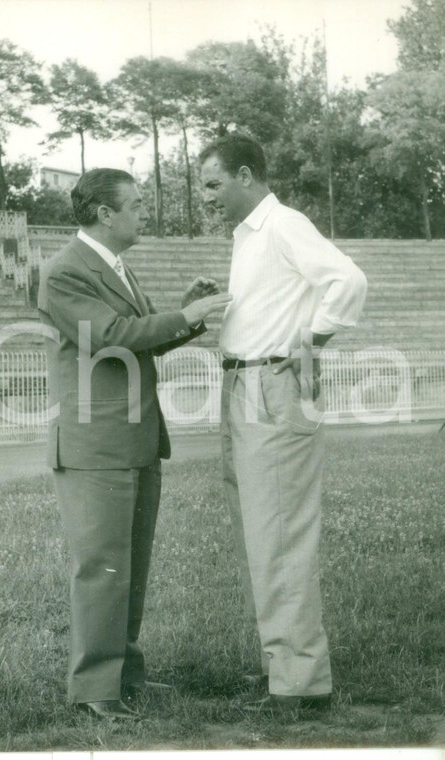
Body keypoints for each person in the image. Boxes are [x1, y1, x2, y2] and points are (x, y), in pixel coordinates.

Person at [38, 168, 231, 721]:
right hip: (97, 445)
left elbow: (141, 335)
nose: (146, 212)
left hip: (135, 439)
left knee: (130, 566)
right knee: (102, 566)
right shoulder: (65, 270)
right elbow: (112, 338)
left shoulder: (112, 266)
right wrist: (184, 316)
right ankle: (95, 689)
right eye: (138, 204)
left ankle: (123, 673)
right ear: (105, 213)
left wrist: (184, 315)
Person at [199, 133, 367, 715]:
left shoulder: (284, 224)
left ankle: (300, 685)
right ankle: (283, 667)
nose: (207, 198)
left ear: (247, 175)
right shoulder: (249, 237)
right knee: (259, 533)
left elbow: (349, 279)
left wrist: (312, 341)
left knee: (280, 536)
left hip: (273, 388)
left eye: (214, 184)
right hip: (243, 383)